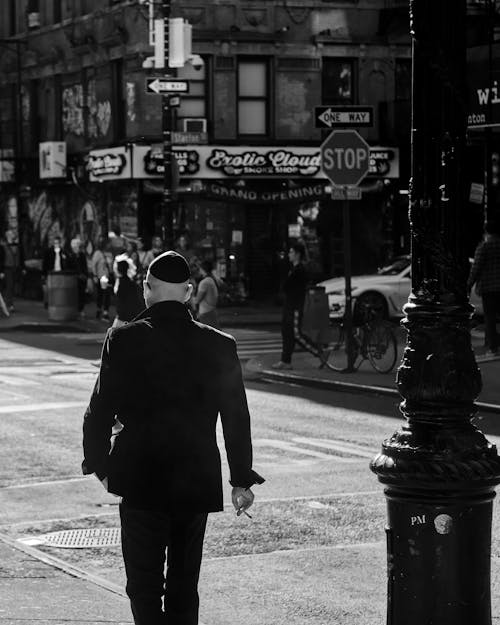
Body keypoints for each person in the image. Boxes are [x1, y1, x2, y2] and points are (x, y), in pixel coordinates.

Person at [82, 250, 264, 625]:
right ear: (188, 291)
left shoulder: (123, 339)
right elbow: (236, 419)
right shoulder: (219, 345)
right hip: (194, 479)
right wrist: (241, 478)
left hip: (140, 477)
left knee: (143, 586)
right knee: (184, 585)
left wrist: (99, 464)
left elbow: (98, 411)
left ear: (146, 290)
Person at [272, 242, 308, 370]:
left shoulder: (299, 270)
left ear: (297, 254)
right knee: (287, 333)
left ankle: (319, 351)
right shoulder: (294, 269)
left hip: (295, 306)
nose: (289, 255)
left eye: (291, 252)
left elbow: (288, 286)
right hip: (290, 305)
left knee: (295, 334)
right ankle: (285, 360)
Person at [467, 221, 500, 355]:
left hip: (489, 287)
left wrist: (469, 284)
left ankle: (493, 347)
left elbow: (476, 268)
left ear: (487, 231)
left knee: (490, 318)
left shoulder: (484, 246)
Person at [111, 254, 144, 328]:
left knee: (113, 337)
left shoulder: (121, 282)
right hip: (130, 317)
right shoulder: (131, 282)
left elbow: (121, 299)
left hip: (124, 318)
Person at [91, 236, 112, 321]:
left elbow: (111, 266)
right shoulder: (98, 253)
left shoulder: (109, 254)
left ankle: (105, 311)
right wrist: (95, 275)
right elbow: (93, 265)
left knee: (107, 294)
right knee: (102, 294)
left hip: (108, 276)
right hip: (101, 277)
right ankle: (100, 310)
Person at [194, 260, 219, 327]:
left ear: (202, 269)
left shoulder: (204, 282)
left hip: (205, 313)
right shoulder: (211, 280)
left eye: (199, 269)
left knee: (208, 335)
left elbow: (197, 300)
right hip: (211, 311)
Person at [69, 238, 89, 319]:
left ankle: (81, 310)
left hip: (82, 279)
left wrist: (85, 275)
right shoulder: (71, 256)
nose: (79, 248)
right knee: (75, 295)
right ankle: (75, 310)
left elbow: (85, 267)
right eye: (78, 247)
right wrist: (77, 275)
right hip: (74, 278)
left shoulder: (82, 255)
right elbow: (70, 268)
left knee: (82, 295)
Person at [0, 231, 18, 312]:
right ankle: (9, 305)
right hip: (6, 268)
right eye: (10, 234)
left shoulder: (15, 245)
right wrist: (1, 271)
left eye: (12, 234)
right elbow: (1, 258)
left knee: (11, 287)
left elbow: (18, 256)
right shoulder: (3, 245)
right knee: (9, 286)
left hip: (14, 268)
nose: (12, 235)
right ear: (7, 236)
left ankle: (9, 304)